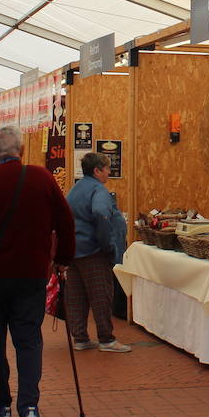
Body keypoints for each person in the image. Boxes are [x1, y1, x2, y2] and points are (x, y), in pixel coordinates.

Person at [0, 126, 75, 417]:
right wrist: (62, 258)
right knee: (28, 340)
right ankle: (30, 409)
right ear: (22, 150)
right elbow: (66, 221)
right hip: (32, 273)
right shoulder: (42, 178)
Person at [65, 151, 130, 353]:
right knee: (101, 294)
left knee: (76, 295)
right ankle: (106, 339)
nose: (109, 173)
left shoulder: (75, 189)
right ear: (97, 170)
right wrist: (107, 245)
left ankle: (80, 338)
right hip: (93, 252)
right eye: (107, 169)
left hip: (74, 250)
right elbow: (101, 213)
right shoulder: (98, 190)